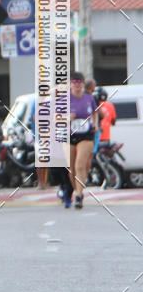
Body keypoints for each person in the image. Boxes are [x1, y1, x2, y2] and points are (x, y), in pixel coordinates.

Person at [64, 71, 98, 209]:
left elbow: (95, 112)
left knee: (80, 164)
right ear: (70, 84)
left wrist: (95, 124)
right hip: (70, 134)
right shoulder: (64, 100)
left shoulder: (89, 98)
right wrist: (67, 118)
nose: (77, 85)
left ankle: (78, 195)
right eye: (74, 82)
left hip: (86, 135)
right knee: (71, 169)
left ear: (83, 84)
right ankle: (78, 191)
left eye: (80, 82)